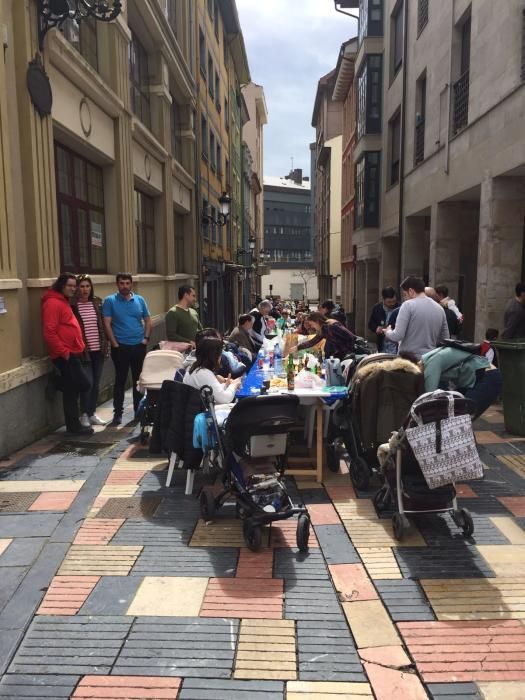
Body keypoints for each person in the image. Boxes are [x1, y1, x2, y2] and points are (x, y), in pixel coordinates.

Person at [42, 273, 92, 436]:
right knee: (84, 384)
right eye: (69, 285)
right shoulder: (52, 303)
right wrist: (65, 353)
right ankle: (57, 382)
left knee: (72, 391)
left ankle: (73, 427)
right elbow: (49, 332)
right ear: (61, 285)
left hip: (72, 352)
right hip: (64, 354)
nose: (73, 288)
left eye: (74, 285)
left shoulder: (63, 301)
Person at [102, 273, 152, 425]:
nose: (124, 286)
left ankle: (138, 411)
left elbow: (148, 320)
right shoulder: (110, 301)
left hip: (138, 345)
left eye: (127, 283)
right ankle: (118, 413)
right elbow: (106, 323)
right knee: (120, 380)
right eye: (121, 283)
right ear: (117, 285)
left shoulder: (139, 299)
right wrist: (115, 344)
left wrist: (145, 339)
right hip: (120, 346)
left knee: (139, 380)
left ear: (131, 284)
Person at [421, 345, 502, 419]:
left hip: (487, 377)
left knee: (461, 419)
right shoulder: (431, 357)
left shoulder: (430, 364)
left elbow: (429, 397)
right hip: (476, 378)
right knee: (457, 418)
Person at [381, 276, 449, 359]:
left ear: (411, 291)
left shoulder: (408, 305)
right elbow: (445, 339)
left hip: (408, 361)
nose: (405, 299)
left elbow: (398, 335)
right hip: (429, 359)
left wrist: (388, 332)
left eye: (405, 295)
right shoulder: (439, 308)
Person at [73, 274, 109, 428]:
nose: (85, 289)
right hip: (84, 351)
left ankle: (92, 412)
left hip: (98, 350)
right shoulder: (72, 305)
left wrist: (105, 346)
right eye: (81, 286)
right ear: (77, 288)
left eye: (87, 286)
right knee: (88, 383)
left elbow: (103, 326)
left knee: (96, 384)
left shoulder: (97, 303)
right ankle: (84, 414)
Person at [183, 337, 241, 404]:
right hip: (201, 411)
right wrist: (234, 385)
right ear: (214, 356)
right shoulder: (204, 373)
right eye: (220, 355)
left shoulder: (194, 368)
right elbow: (225, 399)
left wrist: (226, 385)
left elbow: (213, 391)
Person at [368, 287, 400, 353]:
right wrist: (376, 328)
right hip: (382, 345)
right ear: (383, 299)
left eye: (394, 301)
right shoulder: (377, 308)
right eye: (389, 302)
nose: (392, 304)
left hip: (396, 346)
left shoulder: (401, 308)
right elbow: (371, 324)